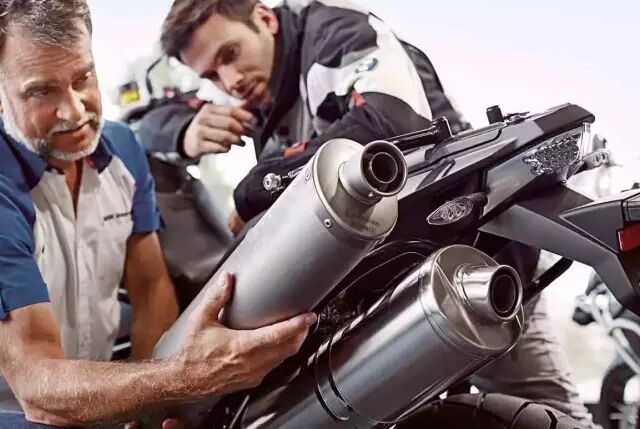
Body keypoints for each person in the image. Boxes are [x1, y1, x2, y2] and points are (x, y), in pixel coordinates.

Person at [156, 0, 596, 426]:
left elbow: (388, 127)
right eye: (211, 75)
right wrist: (182, 131)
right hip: (387, 294)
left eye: (229, 54)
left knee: (543, 403)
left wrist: (259, 184)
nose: (229, 80)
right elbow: (143, 117)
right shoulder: (265, 100)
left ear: (264, 18)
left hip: (475, 254)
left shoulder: (338, 32)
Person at [0, 1, 315, 427]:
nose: (74, 111)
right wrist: (180, 378)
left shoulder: (122, 151)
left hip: (97, 404)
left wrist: (148, 410)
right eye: (42, 91)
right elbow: (39, 391)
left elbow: (150, 289)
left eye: (83, 78)